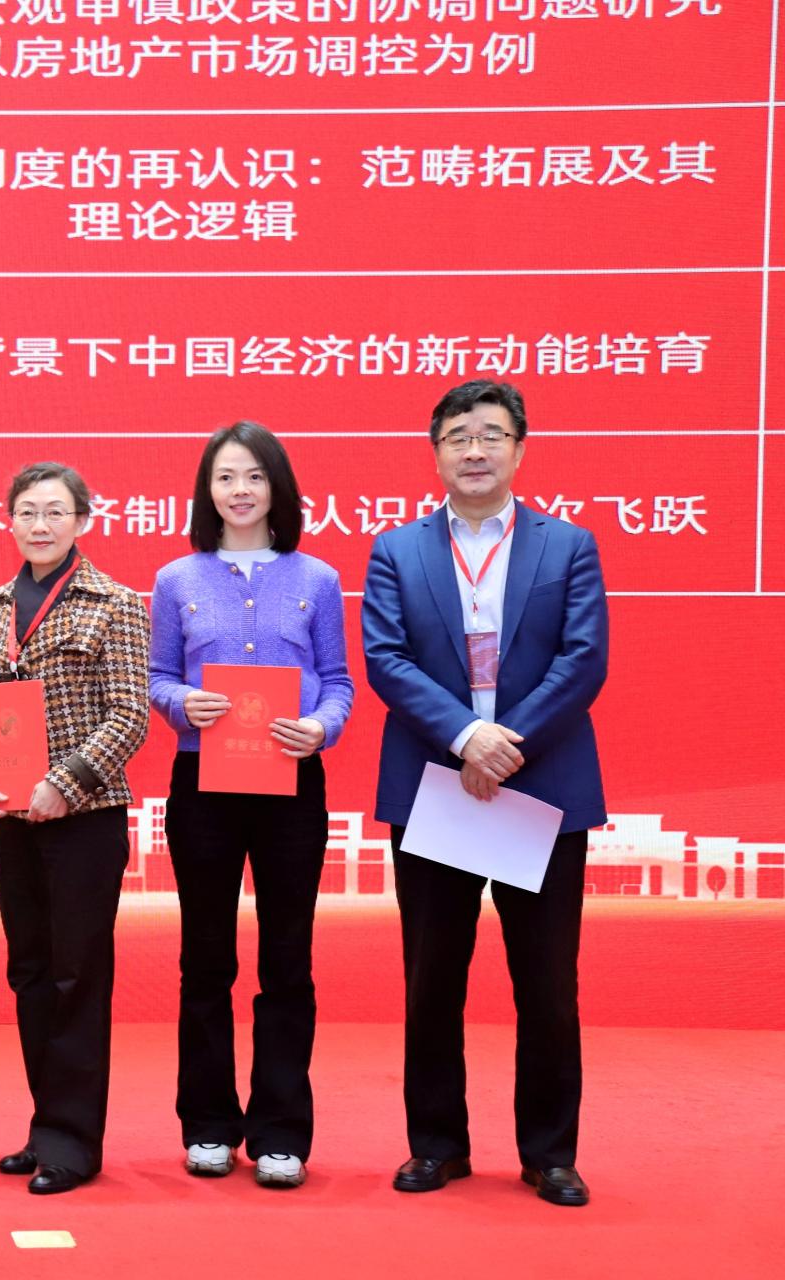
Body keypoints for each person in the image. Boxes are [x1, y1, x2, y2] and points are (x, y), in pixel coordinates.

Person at [362, 380, 608, 1207]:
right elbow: (386, 658)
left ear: (519, 448)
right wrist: (467, 736)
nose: (475, 450)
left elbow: (584, 659)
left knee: (548, 983)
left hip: (541, 787)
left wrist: (507, 743)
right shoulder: (398, 550)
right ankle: (437, 1146)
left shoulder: (567, 545)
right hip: (437, 783)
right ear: (435, 452)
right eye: (458, 437)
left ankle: (550, 1154)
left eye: (492, 435)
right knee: (433, 977)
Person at [146, 423, 353, 1189]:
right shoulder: (177, 579)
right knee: (206, 957)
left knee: (286, 959)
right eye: (226, 477)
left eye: (255, 476)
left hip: (291, 784)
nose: (240, 490)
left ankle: (280, 1132)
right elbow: (158, 676)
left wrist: (321, 727)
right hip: (204, 783)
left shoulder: (317, 579)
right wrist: (182, 704)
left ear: (278, 488)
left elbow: (339, 682)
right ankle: (207, 1124)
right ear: (207, 490)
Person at [0, 463, 151, 1195]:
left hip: (83, 818)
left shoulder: (116, 602)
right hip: (12, 817)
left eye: (55, 512)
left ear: (82, 521)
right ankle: (45, 1128)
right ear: (9, 521)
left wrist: (63, 785)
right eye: (27, 512)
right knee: (31, 973)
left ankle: (74, 1141)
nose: (40, 525)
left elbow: (130, 714)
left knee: (77, 976)